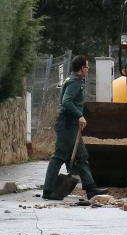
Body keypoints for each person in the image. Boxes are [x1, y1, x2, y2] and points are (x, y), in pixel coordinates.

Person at [42, 55, 103, 201]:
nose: (88, 69)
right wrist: (79, 116)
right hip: (67, 125)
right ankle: (48, 190)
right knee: (59, 157)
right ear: (82, 69)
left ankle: (91, 189)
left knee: (82, 157)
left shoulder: (73, 80)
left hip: (72, 126)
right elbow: (66, 102)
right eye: (87, 67)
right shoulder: (74, 83)